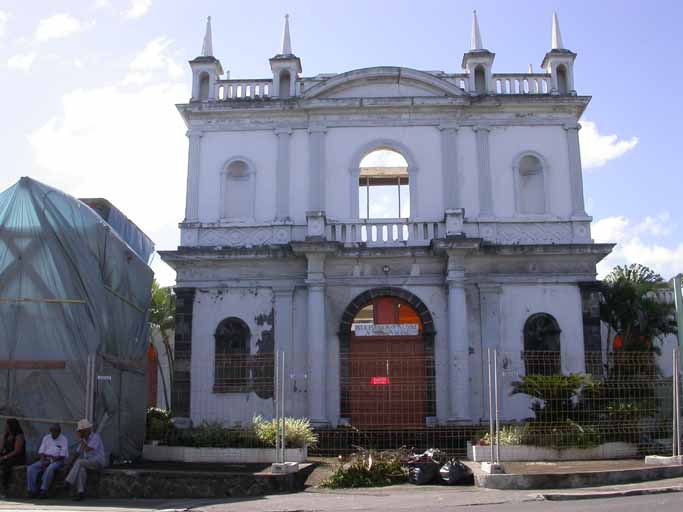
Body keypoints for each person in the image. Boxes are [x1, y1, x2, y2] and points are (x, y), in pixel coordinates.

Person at [63, 419, 105, 501]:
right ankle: (80, 493)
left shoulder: (95, 436)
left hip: (98, 462)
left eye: (81, 431)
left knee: (80, 462)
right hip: (88, 463)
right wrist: (68, 466)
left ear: (87, 430)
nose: (80, 432)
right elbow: (77, 453)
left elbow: (88, 449)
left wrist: (81, 440)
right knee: (81, 469)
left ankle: (68, 482)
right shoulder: (84, 440)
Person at [26, 424, 68, 498]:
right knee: (31, 468)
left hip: (58, 460)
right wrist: (42, 461)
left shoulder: (63, 439)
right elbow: (41, 452)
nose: (54, 433)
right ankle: (32, 491)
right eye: (53, 431)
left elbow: (62, 455)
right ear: (50, 431)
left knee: (50, 468)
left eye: (56, 431)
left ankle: (43, 490)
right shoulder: (46, 438)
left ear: (59, 432)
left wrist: (52, 460)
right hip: (45, 459)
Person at [0, 418, 26, 499]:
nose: (6, 427)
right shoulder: (6, 435)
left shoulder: (19, 436)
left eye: (7, 425)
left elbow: (17, 451)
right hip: (7, 455)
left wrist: (5, 457)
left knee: (6, 466)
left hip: (16, 457)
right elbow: (1, 448)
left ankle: (5, 488)